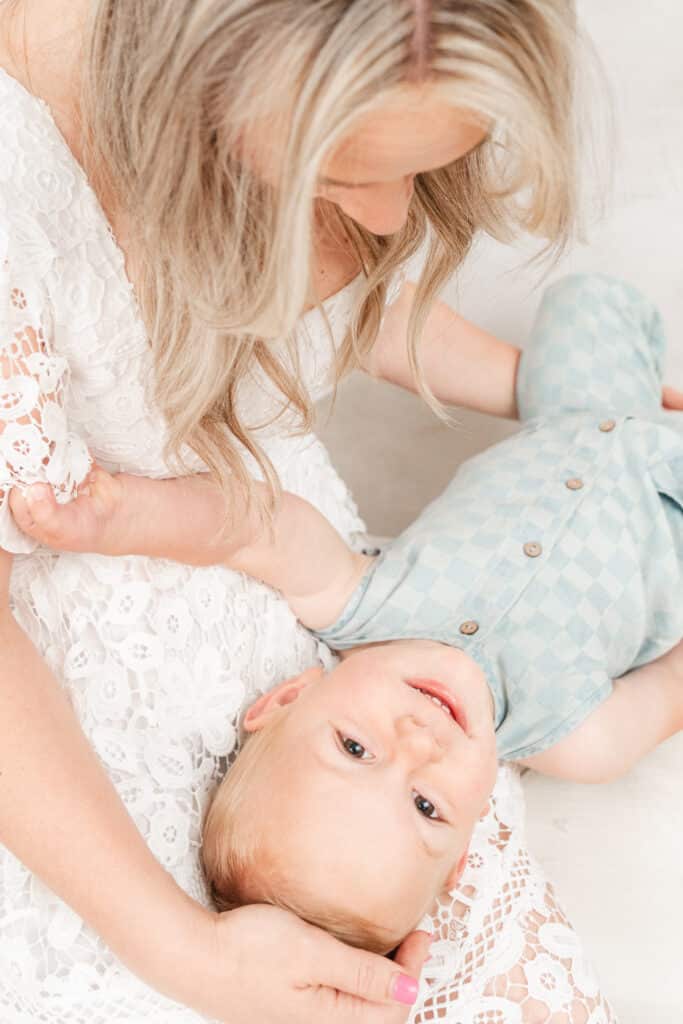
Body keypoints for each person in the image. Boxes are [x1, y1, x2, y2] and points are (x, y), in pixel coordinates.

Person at [0, 1, 619, 1021]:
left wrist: (563, 391)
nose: (387, 219)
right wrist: (183, 948)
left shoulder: (378, 706)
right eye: (346, 170)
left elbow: (323, 303)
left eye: (417, 168)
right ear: (206, 75)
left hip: (261, 566)